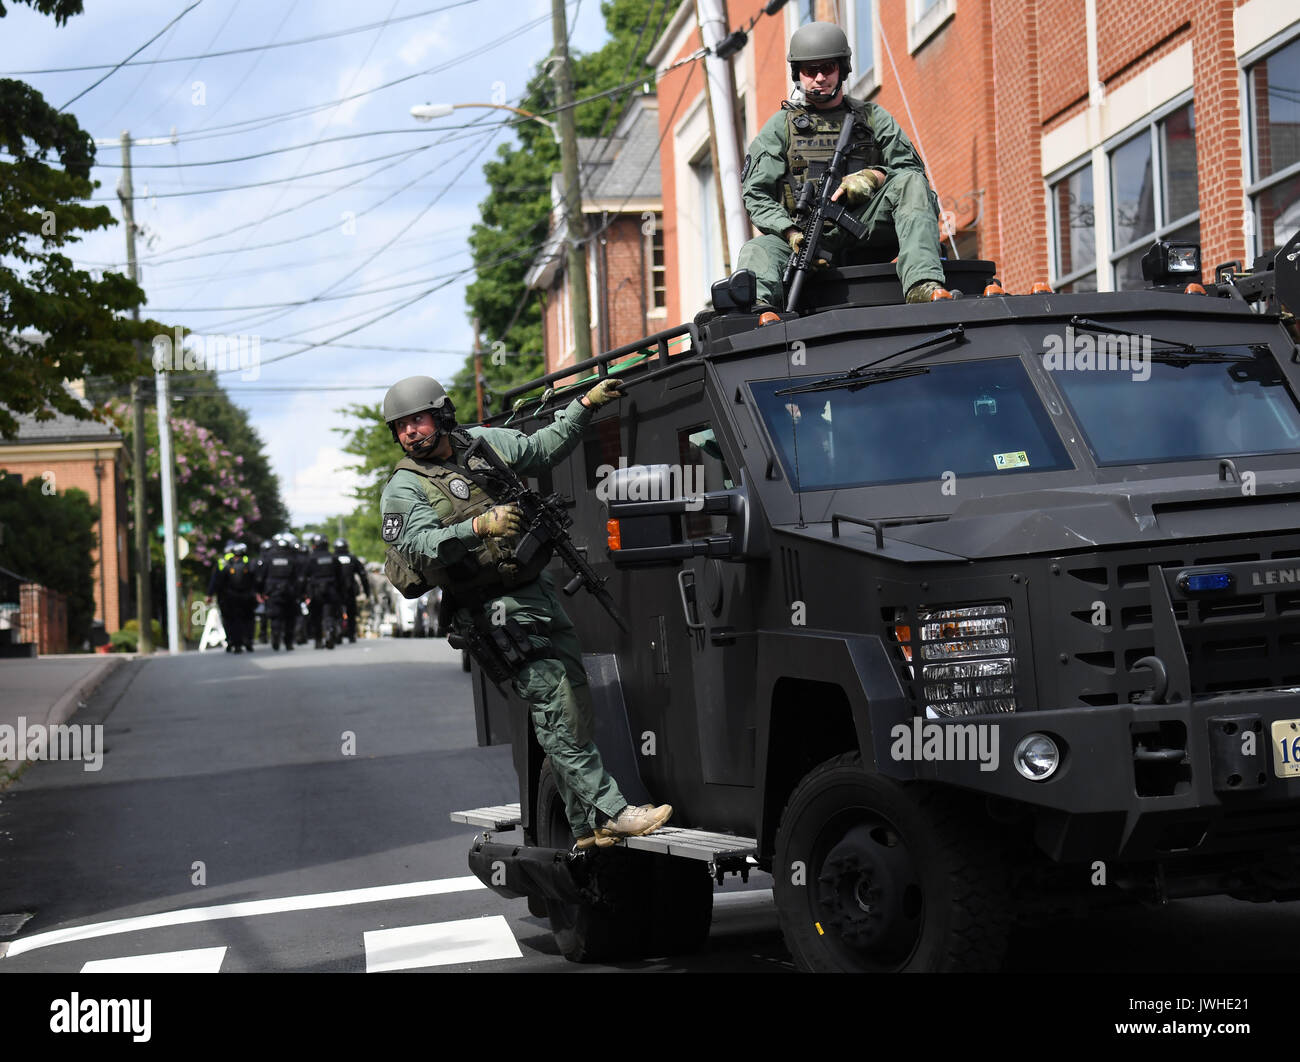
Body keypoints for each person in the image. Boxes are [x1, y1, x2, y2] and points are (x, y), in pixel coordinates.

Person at [379, 375, 672, 849]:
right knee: (556, 705)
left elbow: (540, 449)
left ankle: (584, 827)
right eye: (401, 427)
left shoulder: (476, 444)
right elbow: (415, 547)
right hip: (489, 611)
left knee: (575, 705)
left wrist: (584, 403)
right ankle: (613, 812)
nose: (410, 432)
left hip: (535, 591)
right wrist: (477, 525)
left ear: (441, 414)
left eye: (417, 419)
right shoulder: (403, 488)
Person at [736, 21, 950, 309]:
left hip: (864, 226)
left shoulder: (873, 118)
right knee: (756, 251)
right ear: (798, 74)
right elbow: (756, 195)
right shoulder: (780, 128)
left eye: (828, 68)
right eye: (810, 71)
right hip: (801, 236)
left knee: (911, 185)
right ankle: (761, 316)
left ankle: (922, 284)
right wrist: (791, 233)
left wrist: (874, 176)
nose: (820, 77)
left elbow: (912, 174)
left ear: (843, 69)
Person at [304, 534, 344, 649]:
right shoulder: (333, 558)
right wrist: (341, 593)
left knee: (316, 616)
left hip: (315, 592)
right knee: (329, 615)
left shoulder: (310, 559)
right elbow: (340, 577)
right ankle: (329, 631)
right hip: (331, 591)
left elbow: (304, 577)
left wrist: (303, 593)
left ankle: (318, 640)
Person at [333, 538, 371, 643]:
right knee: (351, 613)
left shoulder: (333, 558)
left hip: (336, 591)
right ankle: (351, 635)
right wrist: (367, 592)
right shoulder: (352, 558)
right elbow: (363, 576)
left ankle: (338, 632)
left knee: (337, 612)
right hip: (350, 590)